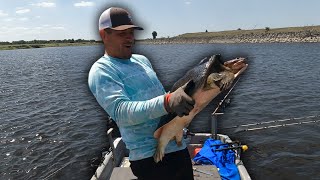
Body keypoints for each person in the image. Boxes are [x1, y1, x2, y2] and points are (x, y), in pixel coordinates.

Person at [88, 7, 195, 180]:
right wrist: (168, 101)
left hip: (177, 146)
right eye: (122, 33)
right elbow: (122, 113)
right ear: (104, 35)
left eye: (131, 32)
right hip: (149, 158)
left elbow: (160, 96)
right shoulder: (101, 70)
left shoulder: (142, 60)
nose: (130, 37)